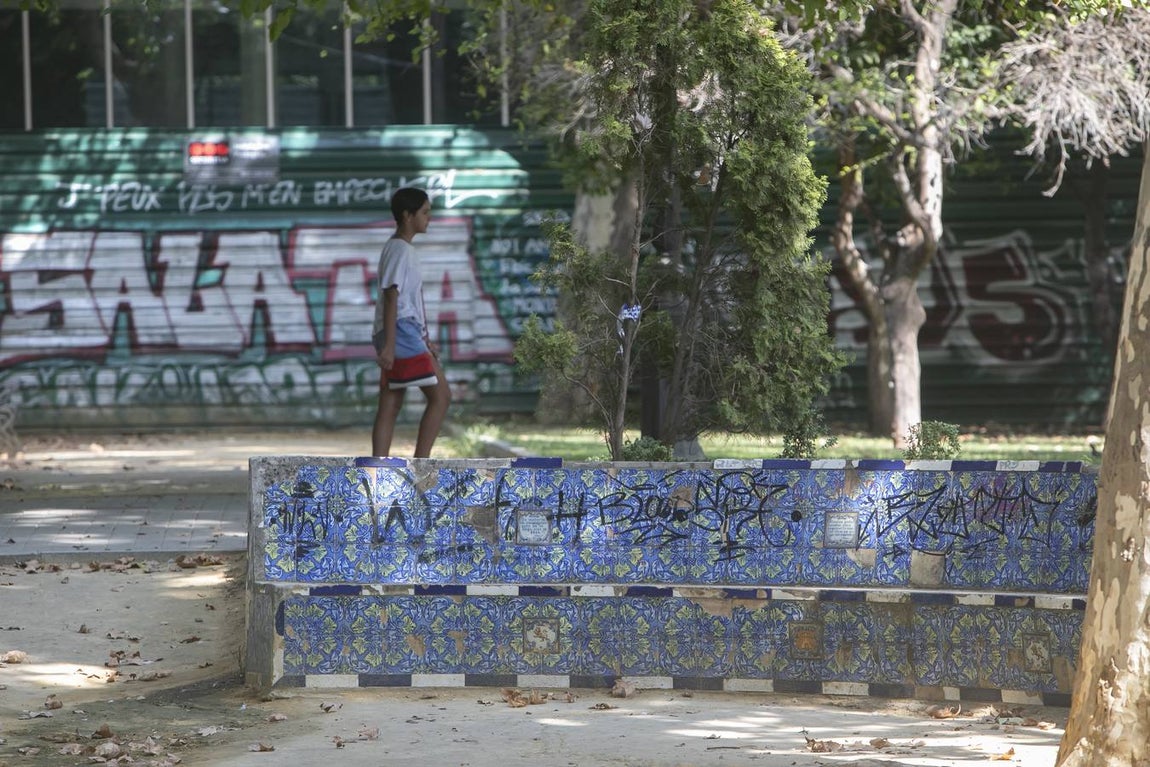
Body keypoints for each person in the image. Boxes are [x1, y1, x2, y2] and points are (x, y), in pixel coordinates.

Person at [371, 187, 451, 457]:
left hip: (405, 331)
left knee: (391, 402)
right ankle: (422, 464)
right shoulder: (400, 250)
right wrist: (391, 345)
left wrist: (425, 339)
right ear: (408, 215)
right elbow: (392, 296)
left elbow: (408, 299)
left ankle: (377, 469)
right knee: (441, 397)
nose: (429, 218)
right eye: (425, 212)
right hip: (401, 331)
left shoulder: (399, 248)